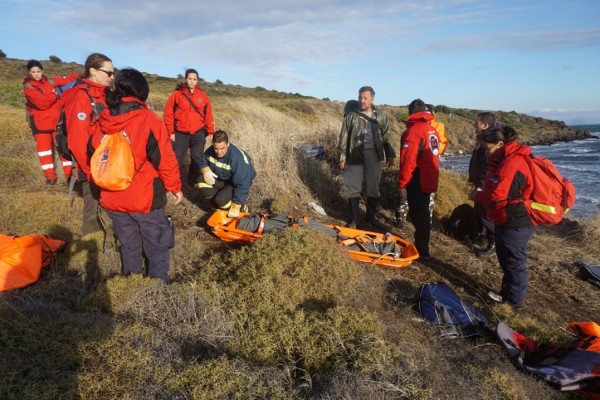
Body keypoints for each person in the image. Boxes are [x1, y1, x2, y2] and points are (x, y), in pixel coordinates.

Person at [89, 68, 183, 283]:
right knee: (157, 245)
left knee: (129, 244)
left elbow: (91, 155)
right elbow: (165, 159)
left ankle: (131, 284)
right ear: (142, 91)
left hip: (112, 197)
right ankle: (156, 289)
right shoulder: (148, 119)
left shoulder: (103, 118)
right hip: (144, 197)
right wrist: (175, 187)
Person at [472, 126, 536, 310]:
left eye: (487, 147)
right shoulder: (503, 159)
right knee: (507, 259)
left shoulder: (512, 163)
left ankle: (514, 306)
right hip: (507, 218)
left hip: (517, 220)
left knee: (514, 262)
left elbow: (497, 195)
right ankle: (506, 295)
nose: (485, 151)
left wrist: (479, 196)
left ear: (500, 144)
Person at [62, 53, 115, 246]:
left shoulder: (102, 94)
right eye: (108, 72)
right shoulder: (80, 97)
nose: (112, 76)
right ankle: (89, 244)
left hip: (104, 158)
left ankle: (106, 234)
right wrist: (87, 168)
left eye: (113, 73)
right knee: (91, 204)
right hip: (90, 162)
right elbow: (77, 139)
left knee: (105, 200)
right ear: (92, 71)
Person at [337, 86, 396, 229]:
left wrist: (390, 154)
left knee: (373, 187)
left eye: (365, 98)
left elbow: (387, 135)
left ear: (372, 99)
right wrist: (342, 157)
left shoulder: (380, 115)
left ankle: (370, 218)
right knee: (353, 186)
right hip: (354, 154)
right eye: (360, 97)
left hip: (374, 154)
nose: (362, 101)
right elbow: (343, 137)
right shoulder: (351, 116)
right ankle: (355, 220)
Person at [22, 59, 80, 185]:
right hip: (40, 124)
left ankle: (70, 176)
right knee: (45, 152)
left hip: (56, 122)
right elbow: (42, 103)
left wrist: (81, 73)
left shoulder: (50, 81)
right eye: (33, 72)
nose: (36, 74)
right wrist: (55, 94)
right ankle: (50, 178)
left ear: (42, 71)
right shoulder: (28, 87)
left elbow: (66, 80)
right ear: (29, 73)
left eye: (38, 71)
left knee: (63, 149)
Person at [398, 99, 440, 259]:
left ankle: (422, 250)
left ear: (411, 113)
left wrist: (402, 183)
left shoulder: (413, 132)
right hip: (430, 176)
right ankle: (422, 246)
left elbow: (408, 161)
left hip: (418, 177)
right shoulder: (431, 130)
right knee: (422, 213)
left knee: (419, 214)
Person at [163, 68, 215, 185]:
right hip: (181, 132)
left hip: (198, 132)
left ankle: (192, 181)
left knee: (197, 158)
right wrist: (170, 132)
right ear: (186, 79)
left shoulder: (203, 95)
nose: (192, 81)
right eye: (190, 79)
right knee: (175, 158)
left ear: (197, 80)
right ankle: (172, 182)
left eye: (194, 79)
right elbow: (168, 114)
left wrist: (211, 131)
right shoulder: (177, 95)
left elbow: (208, 114)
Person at [195, 130, 256, 218]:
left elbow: (243, 184)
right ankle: (220, 209)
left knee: (221, 200)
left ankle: (244, 209)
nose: (218, 152)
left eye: (222, 148)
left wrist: (236, 205)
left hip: (235, 183)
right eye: (216, 148)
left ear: (228, 144)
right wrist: (205, 170)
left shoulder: (237, 159)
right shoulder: (211, 150)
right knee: (200, 180)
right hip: (222, 179)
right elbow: (202, 160)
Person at [468, 112, 501, 256]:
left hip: (486, 184)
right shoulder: (484, 138)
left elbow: (488, 166)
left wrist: (481, 185)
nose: (474, 124)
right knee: (479, 211)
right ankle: (481, 237)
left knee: (487, 214)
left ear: (485, 125)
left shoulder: (490, 141)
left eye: (477, 122)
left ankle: (493, 242)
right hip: (481, 182)